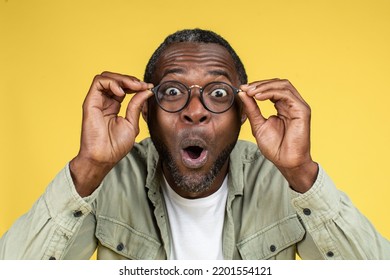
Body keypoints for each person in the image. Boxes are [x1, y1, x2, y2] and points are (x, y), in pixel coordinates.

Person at [0, 28, 389, 260]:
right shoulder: (107, 180)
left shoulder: (282, 181)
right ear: (147, 111)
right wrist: (88, 168)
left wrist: (302, 174)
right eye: (172, 91)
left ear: (242, 113)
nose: (195, 112)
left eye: (218, 94)